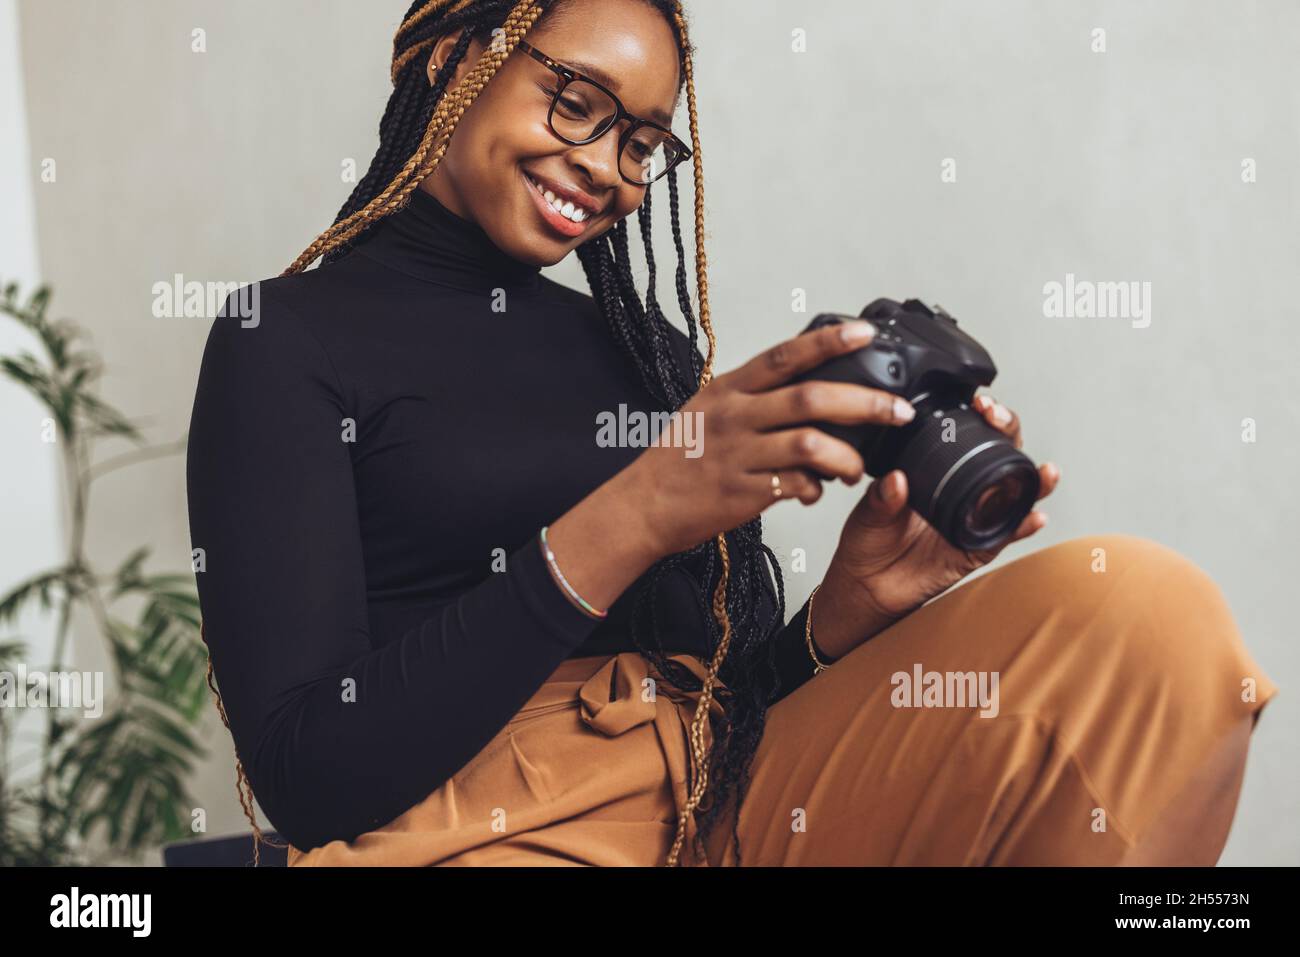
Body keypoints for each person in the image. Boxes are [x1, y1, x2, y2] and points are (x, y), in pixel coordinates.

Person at [185, 0, 1278, 867]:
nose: (608, 166)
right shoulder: (282, 340)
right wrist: (637, 510)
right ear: (451, 58)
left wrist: (842, 622)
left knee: (1138, 609)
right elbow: (305, 773)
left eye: (642, 140)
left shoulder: (644, 352)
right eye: (575, 101)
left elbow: (731, 701)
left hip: (727, 803)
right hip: (482, 837)